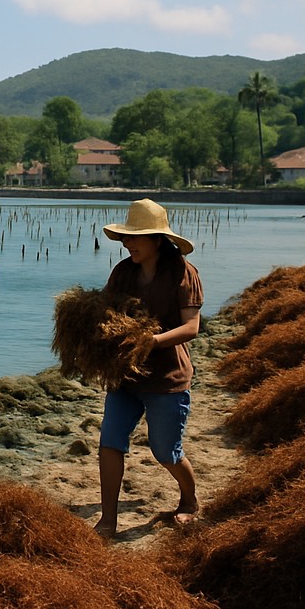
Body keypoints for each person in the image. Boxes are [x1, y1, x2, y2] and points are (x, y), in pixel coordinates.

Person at [95, 199, 203, 539]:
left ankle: (189, 499)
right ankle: (108, 519)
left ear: (157, 239)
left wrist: (152, 342)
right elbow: (108, 315)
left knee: (165, 451)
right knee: (110, 443)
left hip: (167, 378)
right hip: (126, 375)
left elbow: (191, 328)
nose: (128, 244)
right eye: (127, 238)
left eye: (135, 238)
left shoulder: (183, 272)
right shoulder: (123, 272)